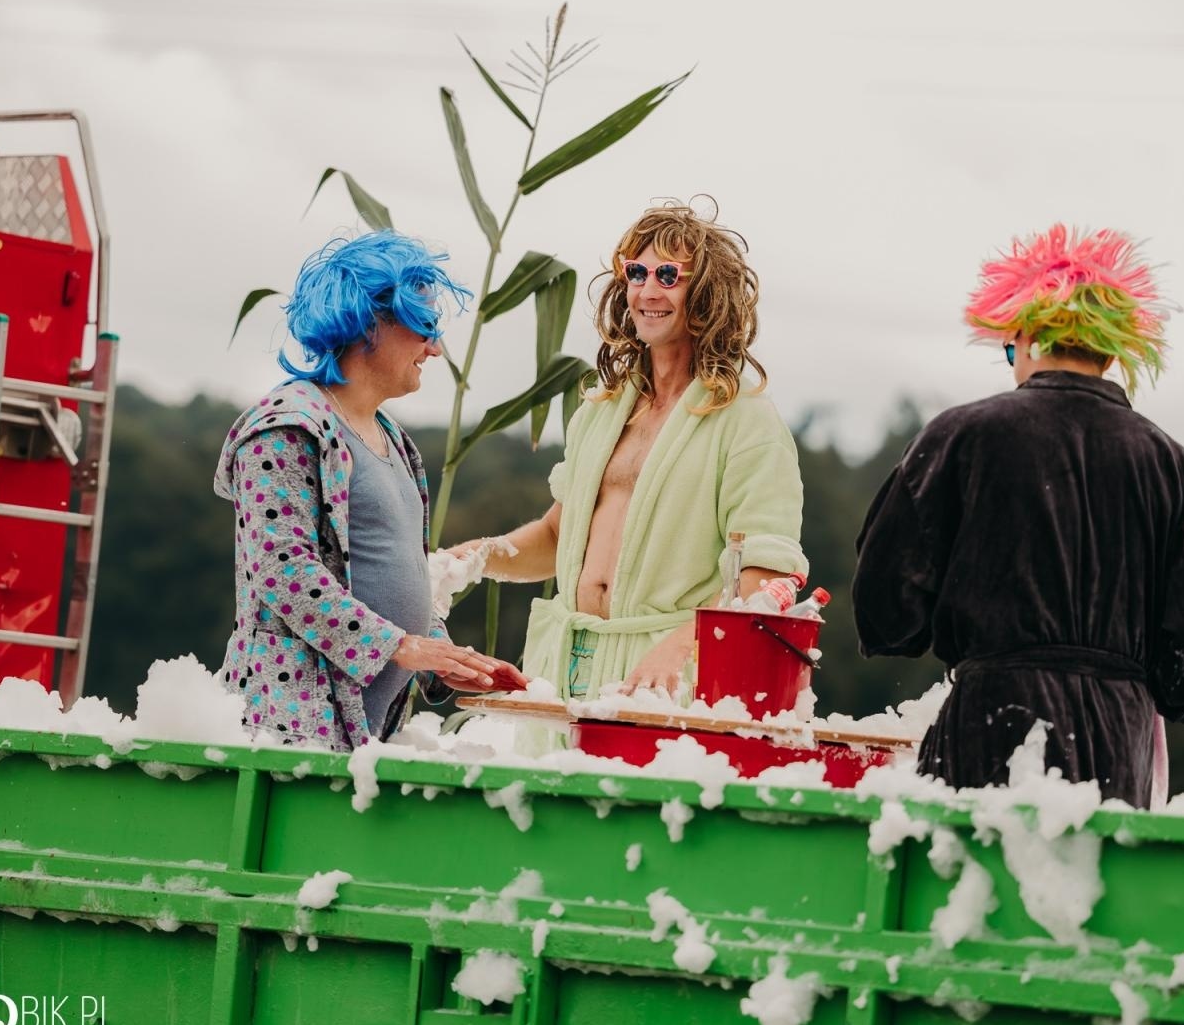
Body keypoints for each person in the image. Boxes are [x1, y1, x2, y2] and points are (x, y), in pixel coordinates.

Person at [852, 224, 1184, 807]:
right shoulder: (1175, 467)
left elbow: (886, 609)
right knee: (1091, 892)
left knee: (976, 892)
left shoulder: (961, 437)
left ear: (1028, 335)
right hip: (1122, 740)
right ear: (1112, 349)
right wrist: (1147, 680)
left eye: (1009, 349)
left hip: (990, 728)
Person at [454, 201, 808, 707]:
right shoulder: (601, 410)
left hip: (666, 677)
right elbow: (558, 535)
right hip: (566, 666)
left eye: (669, 275)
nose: (647, 290)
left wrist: (680, 647)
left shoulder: (747, 420)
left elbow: (767, 575)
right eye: (636, 272)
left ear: (707, 295)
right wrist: (479, 556)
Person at [214, 231, 519, 751]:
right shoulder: (284, 428)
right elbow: (282, 570)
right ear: (369, 323)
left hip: (365, 735)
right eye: (423, 326)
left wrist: (444, 660)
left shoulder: (395, 439)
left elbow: (391, 567)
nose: (436, 347)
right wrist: (398, 645)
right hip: (290, 730)